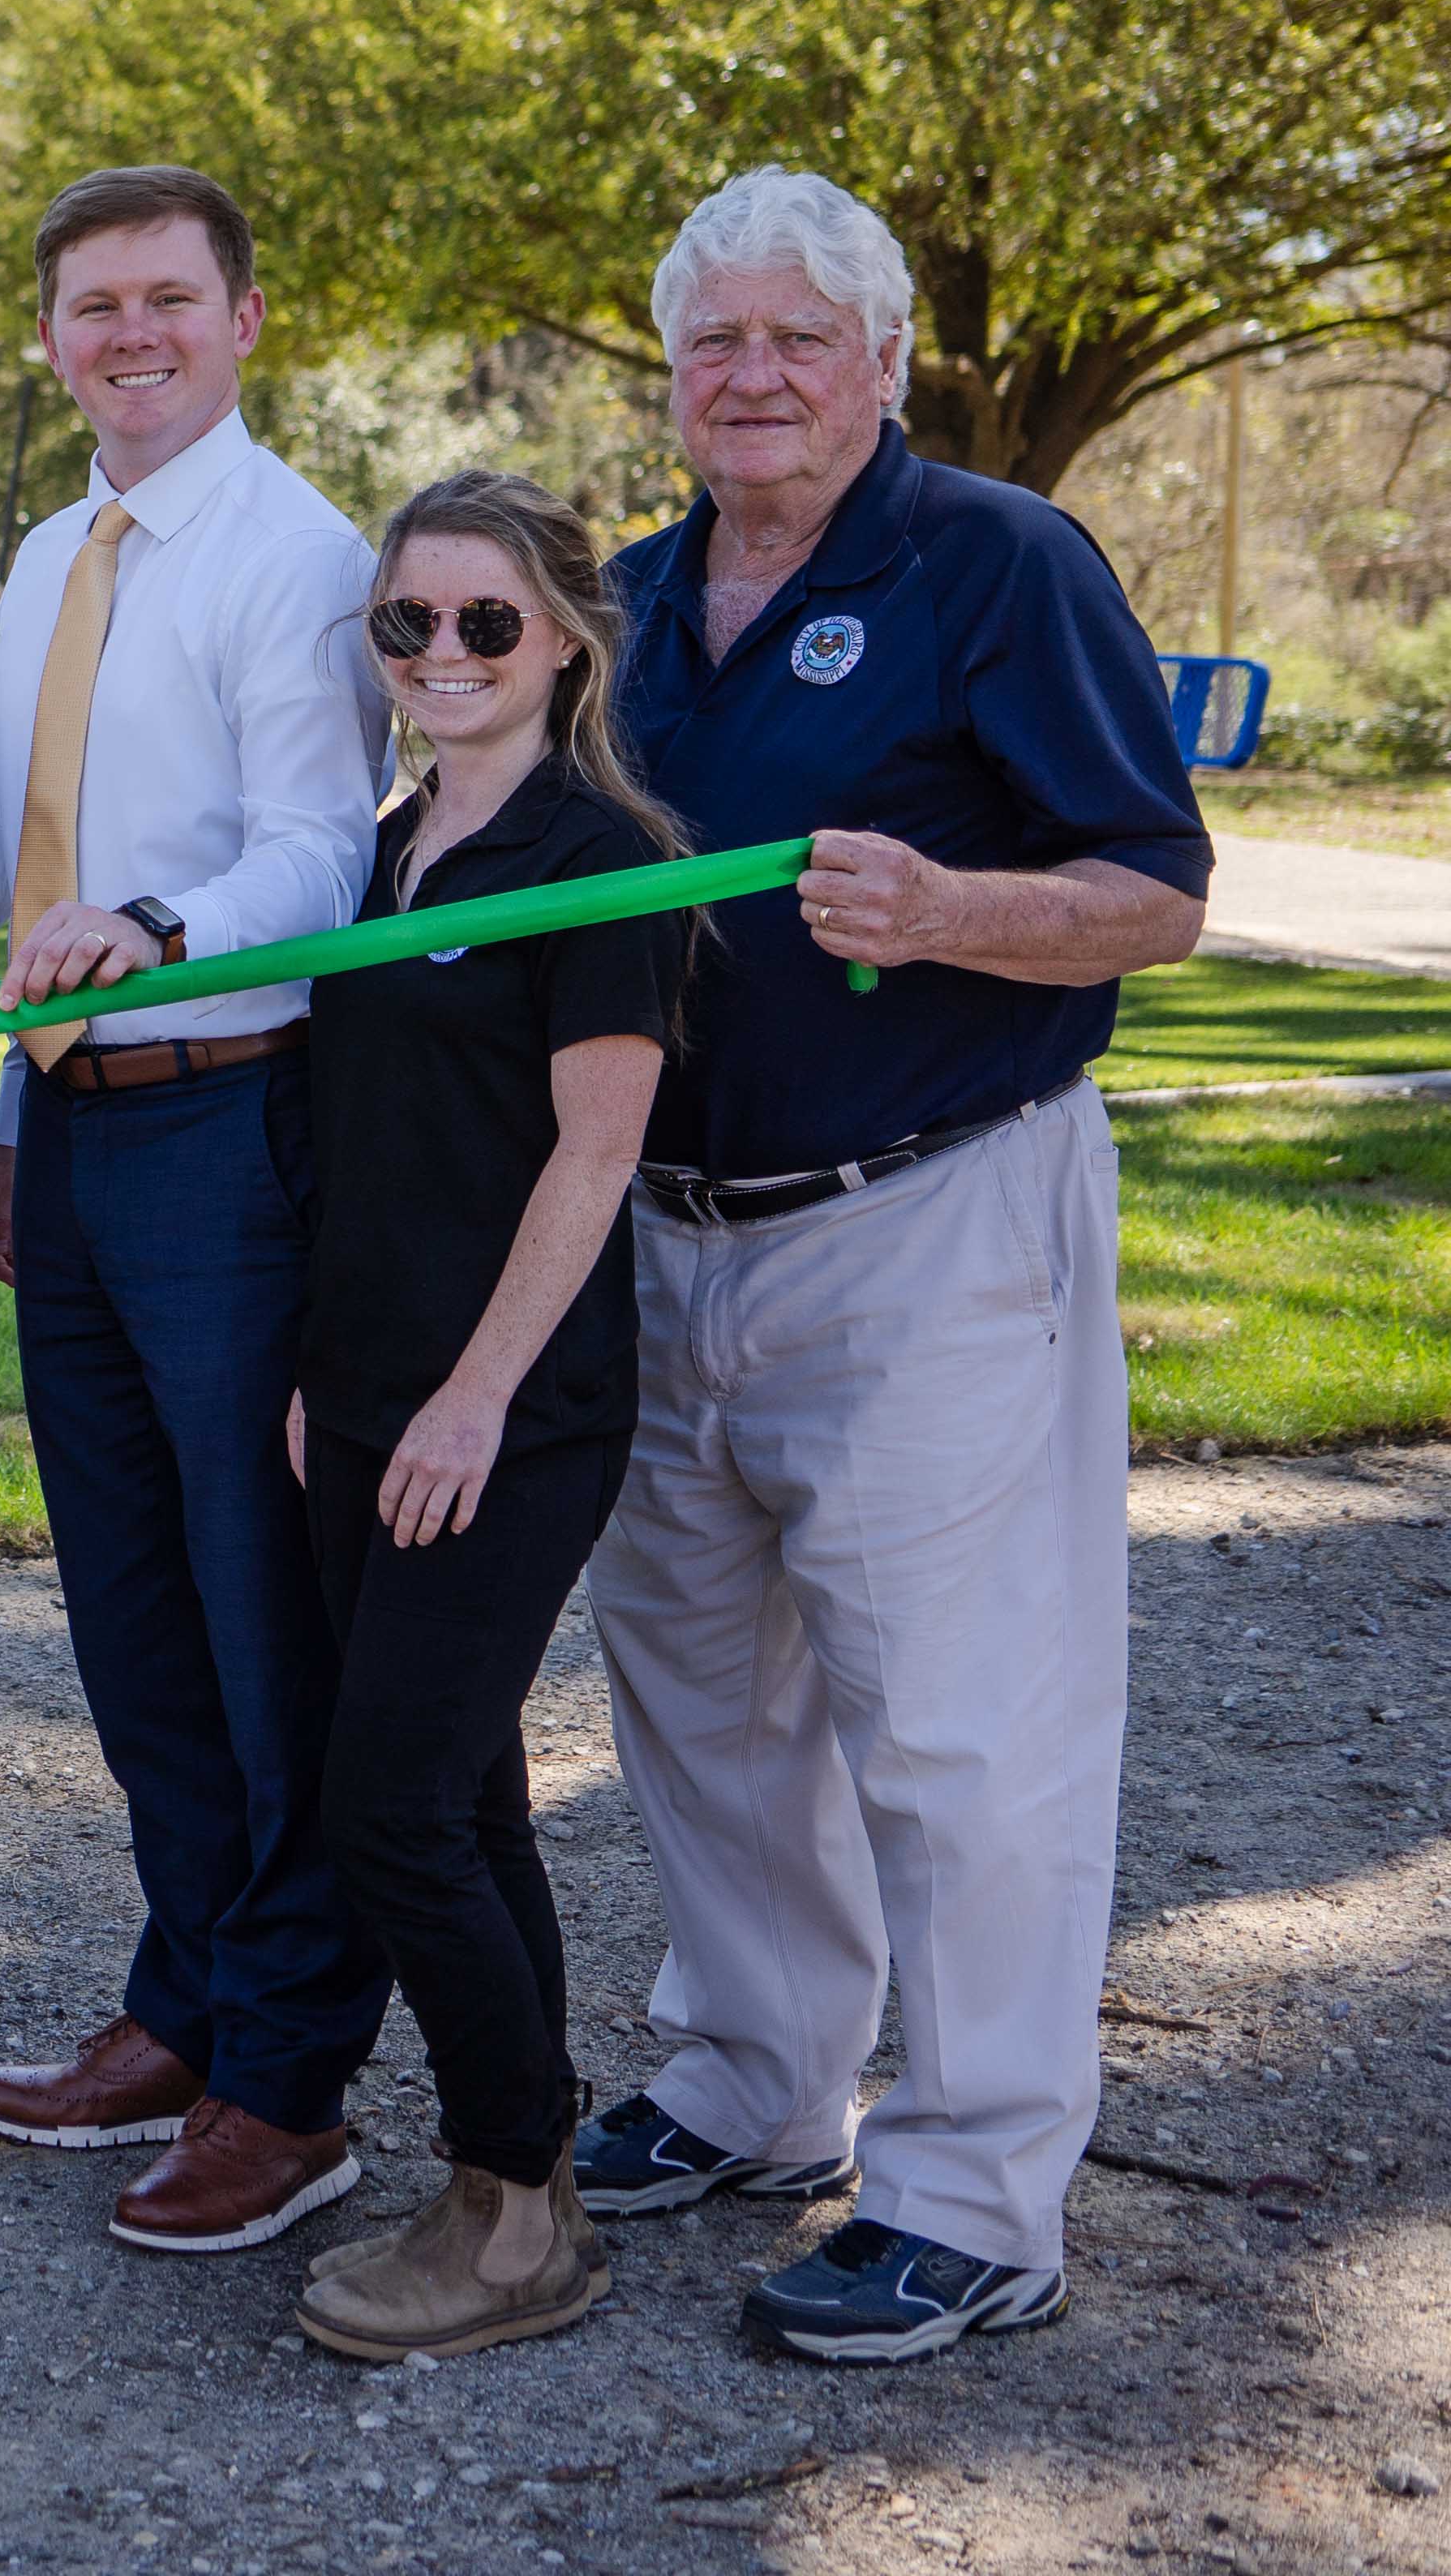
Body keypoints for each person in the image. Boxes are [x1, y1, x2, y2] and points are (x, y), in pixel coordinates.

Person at [575, 169, 1209, 2364]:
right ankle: (756, 2081)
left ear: (881, 359)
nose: (751, 377)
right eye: (712, 344)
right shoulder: (633, 601)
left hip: (931, 1211)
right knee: (701, 1700)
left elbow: (1157, 888)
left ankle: (973, 2190)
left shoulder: (995, 564)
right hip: (660, 1226)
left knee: (956, 1725)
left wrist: (951, 912)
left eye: (795, 339)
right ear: (670, 378)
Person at [0, 165, 396, 2255]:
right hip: (80, 1126)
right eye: (90, 306)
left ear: (241, 316)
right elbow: (37, 838)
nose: (126, 334)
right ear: (50, 335)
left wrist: (155, 929)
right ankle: (185, 1989)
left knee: (252, 1609)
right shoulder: (54, 546)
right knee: (127, 1605)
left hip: (233, 1121)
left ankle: (290, 2075)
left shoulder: (301, 555)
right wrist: (15, 1116)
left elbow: (327, 847)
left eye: (164, 299)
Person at [275, 472, 686, 2360]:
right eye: (407, 623)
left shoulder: (603, 856)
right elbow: (373, 1145)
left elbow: (592, 1158)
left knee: (389, 1812)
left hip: (506, 1412)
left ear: (566, 641)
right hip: (358, 1401)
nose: (443, 654)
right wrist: (325, 1381)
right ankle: (529, 2174)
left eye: (485, 622)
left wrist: (467, 1396)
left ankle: (511, 2208)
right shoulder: (388, 846)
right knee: (466, 1794)